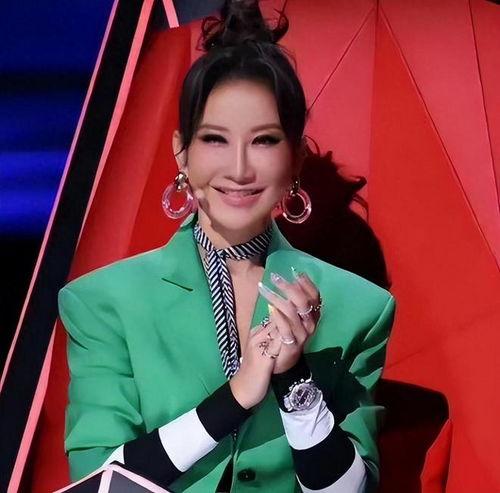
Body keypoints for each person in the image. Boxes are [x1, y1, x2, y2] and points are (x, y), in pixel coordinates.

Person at [58, 1, 397, 492]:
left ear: (295, 158)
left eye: (264, 141)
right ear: (182, 153)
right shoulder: (103, 303)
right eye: (216, 139)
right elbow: (95, 483)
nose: (239, 170)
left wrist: (294, 379)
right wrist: (234, 399)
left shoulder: (359, 309)